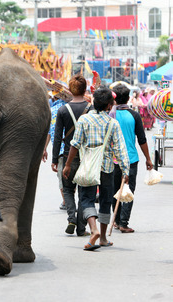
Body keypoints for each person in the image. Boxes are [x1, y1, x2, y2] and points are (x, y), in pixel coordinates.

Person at [63, 87, 130, 250]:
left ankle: (93, 230)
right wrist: (125, 170)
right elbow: (120, 148)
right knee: (106, 202)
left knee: (86, 199)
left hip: (88, 166)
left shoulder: (84, 120)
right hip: (107, 168)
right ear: (109, 105)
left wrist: (67, 165)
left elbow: (75, 145)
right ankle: (103, 238)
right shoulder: (112, 123)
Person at [110, 84, 153, 233]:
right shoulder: (134, 115)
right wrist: (148, 158)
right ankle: (123, 222)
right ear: (128, 98)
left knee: (115, 190)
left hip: (113, 159)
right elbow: (142, 139)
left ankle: (116, 220)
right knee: (128, 190)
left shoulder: (110, 114)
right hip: (130, 159)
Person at [52, 74, 91, 236]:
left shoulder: (63, 110)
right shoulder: (91, 109)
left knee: (68, 190)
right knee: (84, 191)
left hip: (68, 156)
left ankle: (71, 218)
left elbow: (57, 137)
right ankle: (82, 228)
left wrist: (55, 159)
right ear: (84, 89)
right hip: (86, 156)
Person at [42, 93, 67, 211]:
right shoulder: (72, 107)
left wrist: (44, 148)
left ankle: (65, 200)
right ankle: (69, 198)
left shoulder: (52, 111)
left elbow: (49, 132)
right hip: (75, 148)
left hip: (60, 149)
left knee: (61, 175)